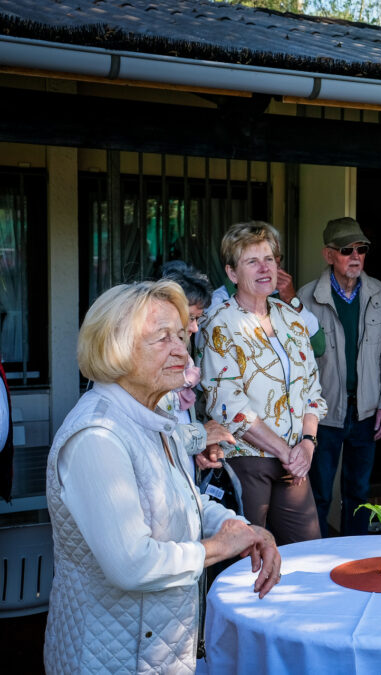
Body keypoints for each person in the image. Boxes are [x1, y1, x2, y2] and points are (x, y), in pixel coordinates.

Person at [44, 280, 281, 674]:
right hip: (111, 659)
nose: (181, 349)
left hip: (153, 648)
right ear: (116, 348)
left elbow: (183, 500)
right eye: (162, 338)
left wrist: (244, 528)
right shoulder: (97, 436)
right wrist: (219, 547)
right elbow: (132, 564)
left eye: (180, 334)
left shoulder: (154, 419)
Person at [200, 221, 327, 545]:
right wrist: (287, 451)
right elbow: (228, 405)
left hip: (294, 460)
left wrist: (308, 444)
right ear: (232, 273)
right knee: (247, 558)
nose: (264, 268)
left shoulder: (291, 318)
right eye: (251, 261)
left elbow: (312, 389)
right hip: (246, 459)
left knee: (306, 555)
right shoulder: (219, 323)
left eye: (269, 259)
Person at [298, 217, 381, 537]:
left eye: (361, 249)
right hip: (323, 414)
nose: (355, 256)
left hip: (366, 411)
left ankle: (354, 556)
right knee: (318, 493)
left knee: (358, 493)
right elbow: (298, 365)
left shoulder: (379, 294)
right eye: (347, 250)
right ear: (329, 255)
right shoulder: (306, 298)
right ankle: (318, 557)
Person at [158, 259, 235, 479]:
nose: (195, 327)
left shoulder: (185, 359)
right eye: (190, 318)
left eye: (198, 318)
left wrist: (199, 447)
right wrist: (201, 435)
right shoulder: (148, 365)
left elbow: (178, 425)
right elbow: (150, 441)